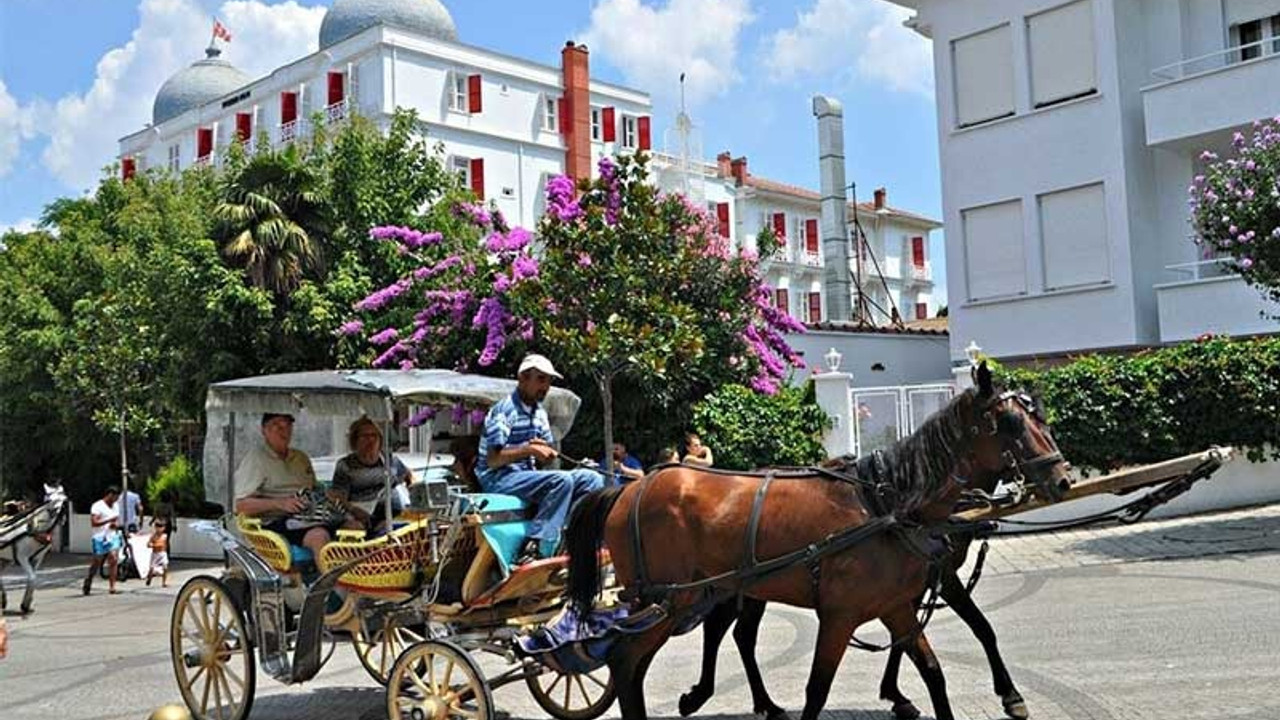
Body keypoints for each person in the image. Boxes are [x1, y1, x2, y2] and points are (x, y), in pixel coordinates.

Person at [477, 354, 605, 563]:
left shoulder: (539, 414)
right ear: (524, 379)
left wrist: (545, 453)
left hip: (525, 476)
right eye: (542, 380)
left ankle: (570, 537)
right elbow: (493, 460)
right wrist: (529, 450)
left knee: (592, 479)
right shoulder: (505, 410)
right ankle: (535, 545)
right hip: (498, 478)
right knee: (561, 481)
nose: (546, 387)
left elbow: (544, 459)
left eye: (548, 381)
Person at [233, 413, 332, 556]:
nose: (283, 431)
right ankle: (330, 578)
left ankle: (356, 577)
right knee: (319, 536)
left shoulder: (300, 457)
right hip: (277, 523)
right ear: (264, 430)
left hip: (310, 516)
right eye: (277, 426)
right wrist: (280, 503)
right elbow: (241, 506)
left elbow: (316, 489)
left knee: (353, 526)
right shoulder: (256, 459)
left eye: (287, 426)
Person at [330, 417, 413, 532]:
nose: (371, 440)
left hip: (393, 516)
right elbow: (337, 496)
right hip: (361, 518)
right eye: (365, 436)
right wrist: (354, 510)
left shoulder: (390, 461)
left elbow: (409, 478)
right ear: (355, 441)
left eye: (374, 436)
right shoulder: (345, 465)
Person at [84, 486, 122, 596]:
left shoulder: (116, 506)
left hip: (112, 536)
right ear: (110, 494)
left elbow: (116, 521)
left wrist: (115, 525)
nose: (116, 500)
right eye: (115, 497)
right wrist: (107, 521)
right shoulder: (97, 506)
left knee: (113, 559)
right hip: (99, 537)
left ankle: (112, 586)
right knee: (97, 561)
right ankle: (89, 580)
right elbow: (94, 523)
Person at [145, 518, 170, 588]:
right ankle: (149, 578)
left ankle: (164, 582)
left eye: (161, 527)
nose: (160, 529)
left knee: (165, 567)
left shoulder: (165, 536)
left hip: (162, 553)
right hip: (155, 553)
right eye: (158, 526)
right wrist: (151, 545)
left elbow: (164, 544)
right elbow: (148, 544)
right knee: (152, 568)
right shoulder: (153, 536)